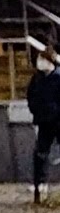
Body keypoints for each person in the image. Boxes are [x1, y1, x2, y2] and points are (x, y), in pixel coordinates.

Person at [27, 55, 60, 203]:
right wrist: (36, 111)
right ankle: (40, 185)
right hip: (43, 121)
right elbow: (31, 96)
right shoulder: (37, 79)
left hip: (58, 120)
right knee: (40, 153)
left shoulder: (58, 77)